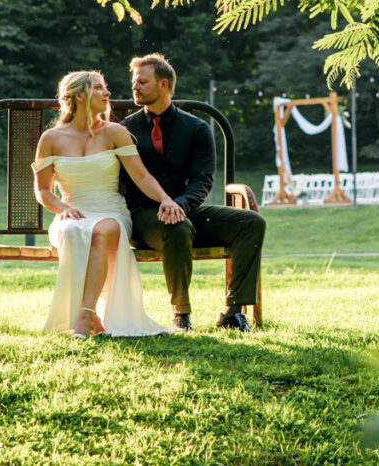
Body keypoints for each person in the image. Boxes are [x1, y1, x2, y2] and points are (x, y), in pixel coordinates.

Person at [120, 54, 266, 332]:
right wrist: (167, 207)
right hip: (143, 218)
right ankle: (182, 315)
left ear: (163, 84)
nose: (134, 87)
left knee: (251, 222)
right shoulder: (126, 129)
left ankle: (232, 312)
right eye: (134, 81)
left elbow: (202, 180)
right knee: (177, 226)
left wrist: (180, 204)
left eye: (142, 81)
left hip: (188, 211)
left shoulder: (196, 128)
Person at [33, 70, 177, 338]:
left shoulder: (115, 133)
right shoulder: (51, 138)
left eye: (105, 87)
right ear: (79, 95)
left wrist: (166, 199)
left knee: (100, 231)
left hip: (110, 212)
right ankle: (90, 317)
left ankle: (86, 316)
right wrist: (63, 209)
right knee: (75, 230)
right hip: (72, 211)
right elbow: (42, 191)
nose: (107, 93)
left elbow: (142, 176)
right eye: (99, 88)